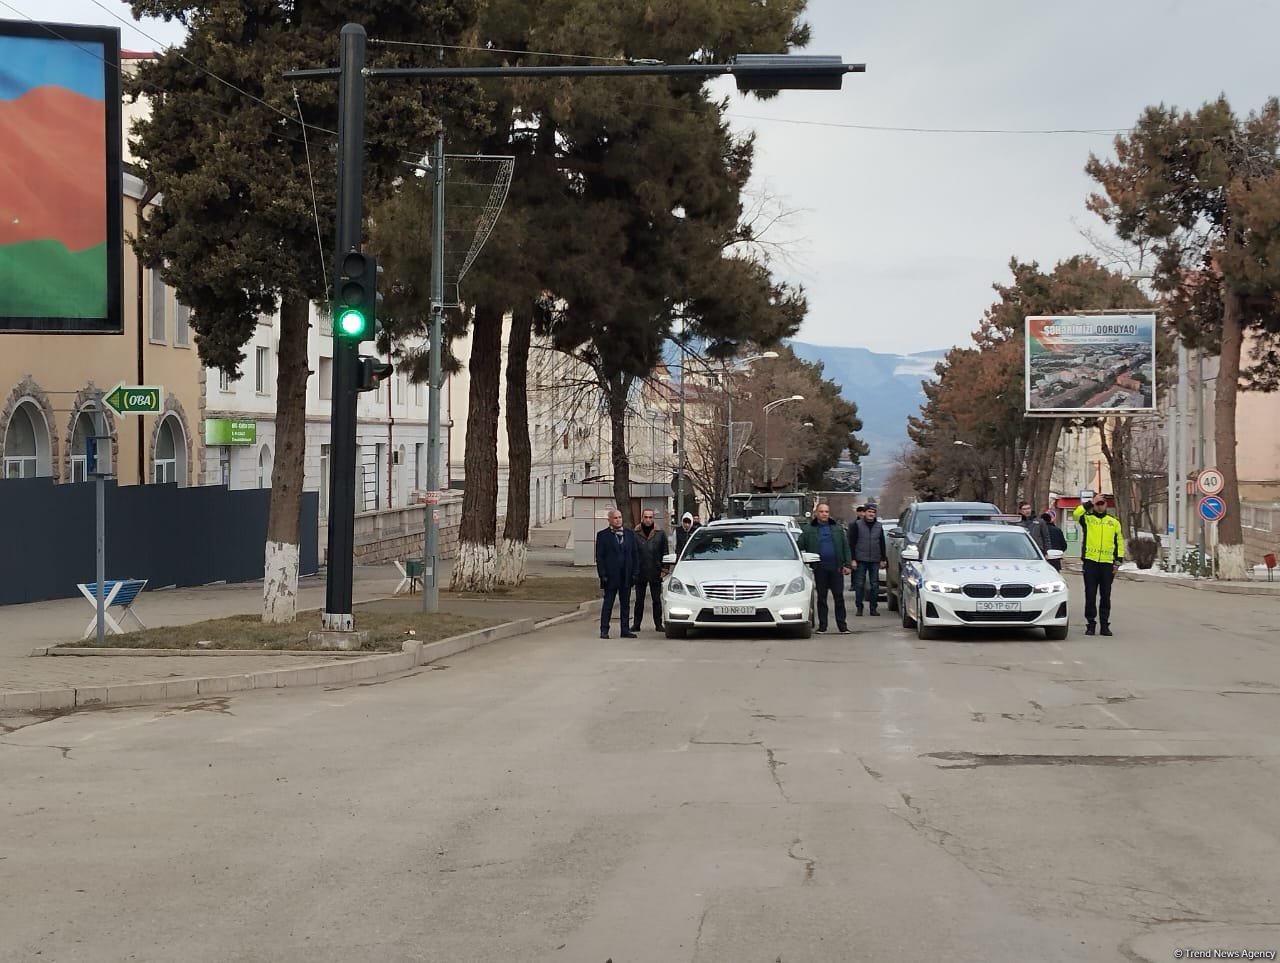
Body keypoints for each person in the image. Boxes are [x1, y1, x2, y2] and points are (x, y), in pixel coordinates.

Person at [1072, 495, 1125, 636]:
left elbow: (1119, 542)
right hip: (1091, 562)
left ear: (1106, 505)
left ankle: (1104, 625)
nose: (1100, 506)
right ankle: (1090, 624)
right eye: (1098, 504)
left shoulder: (1113, 522)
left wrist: (1118, 561)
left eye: (1102, 503)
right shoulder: (1088, 519)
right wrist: (1090, 502)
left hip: (1107, 564)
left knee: (1105, 595)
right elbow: (1076, 514)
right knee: (1090, 594)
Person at [798, 502, 852, 633]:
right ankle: (823, 626)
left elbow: (845, 547)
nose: (824, 514)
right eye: (821, 511)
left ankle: (842, 626)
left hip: (836, 567)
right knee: (821, 598)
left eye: (826, 512)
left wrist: (847, 564)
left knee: (839, 597)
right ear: (816, 513)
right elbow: (799, 546)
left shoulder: (837, 528)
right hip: (819, 568)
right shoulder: (809, 529)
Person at [595, 509, 641, 639]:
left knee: (625, 605)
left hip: (626, 576)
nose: (618, 520)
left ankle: (625, 629)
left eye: (620, 517)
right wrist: (602, 574)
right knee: (608, 604)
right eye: (615, 518)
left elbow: (635, 555)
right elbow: (600, 557)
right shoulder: (603, 535)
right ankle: (604, 630)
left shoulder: (630, 535)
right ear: (609, 520)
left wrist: (635, 573)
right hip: (610, 577)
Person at [632, 508, 669, 632]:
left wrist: (665, 568)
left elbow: (665, 552)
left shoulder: (660, 534)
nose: (648, 520)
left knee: (656, 600)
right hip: (640, 571)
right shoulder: (635, 533)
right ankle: (636, 624)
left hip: (655, 570)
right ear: (642, 518)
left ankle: (658, 624)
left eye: (650, 517)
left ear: (653, 518)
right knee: (639, 600)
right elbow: (632, 553)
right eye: (646, 517)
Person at [848, 503, 887, 616]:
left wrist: (883, 559)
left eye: (873, 512)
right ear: (864, 513)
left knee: (874, 585)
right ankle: (859, 608)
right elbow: (852, 543)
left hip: (875, 559)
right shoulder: (857, 525)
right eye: (869, 512)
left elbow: (882, 543)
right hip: (860, 559)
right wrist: (853, 559)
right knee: (859, 584)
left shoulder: (879, 526)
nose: (871, 514)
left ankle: (873, 608)